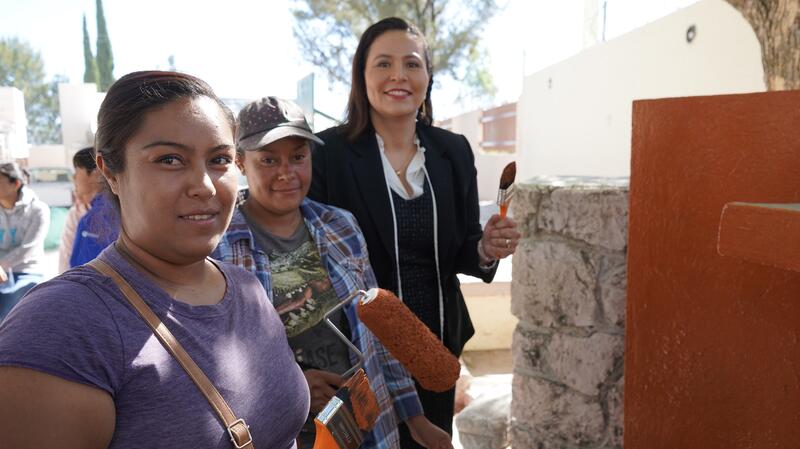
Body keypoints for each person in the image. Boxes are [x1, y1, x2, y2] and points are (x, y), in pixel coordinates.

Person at [0, 71, 309, 448]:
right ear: (111, 172)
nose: (205, 185)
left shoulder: (246, 287)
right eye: (170, 159)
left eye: (219, 159)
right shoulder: (64, 326)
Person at [309, 17, 521, 447]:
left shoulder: (452, 152)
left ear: (427, 77)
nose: (398, 76)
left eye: (412, 64)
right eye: (383, 64)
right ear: (361, 76)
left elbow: (463, 246)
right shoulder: (327, 154)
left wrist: (485, 247)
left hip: (435, 348)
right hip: (358, 355)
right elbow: (309, 264)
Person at [214, 96, 452, 449]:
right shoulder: (219, 248)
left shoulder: (340, 226)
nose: (286, 173)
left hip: (369, 426)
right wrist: (290, 384)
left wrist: (415, 418)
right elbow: (213, 360)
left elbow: (378, 328)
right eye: (268, 160)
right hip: (287, 434)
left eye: (298, 156)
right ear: (240, 162)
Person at [0, 162, 49, 321]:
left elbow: (29, 249)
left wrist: (1, 265)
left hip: (26, 272)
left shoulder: (38, 210)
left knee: (9, 312)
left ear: (16, 183)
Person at [58, 147, 104, 273]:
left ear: (97, 172)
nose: (73, 177)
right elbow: (66, 257)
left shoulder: (119, 211)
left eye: (77, 170)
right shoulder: (76, 212)